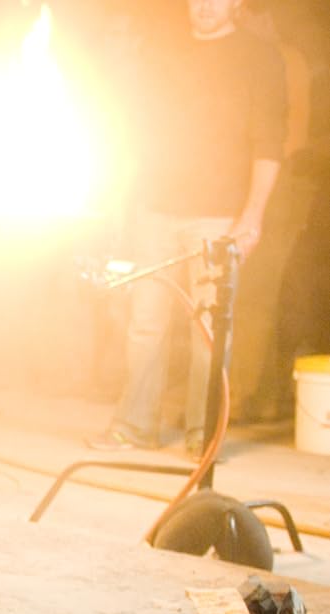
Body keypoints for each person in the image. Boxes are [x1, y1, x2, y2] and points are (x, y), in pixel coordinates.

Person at [88, 0, 287, 458]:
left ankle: (203, 435)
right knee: (145, 324)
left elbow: (269, 142)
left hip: (218, 215)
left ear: (237, 3)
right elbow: (137, 131)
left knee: (209, 332)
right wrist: (123, 202)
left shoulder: (260, 57)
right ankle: (134, 427)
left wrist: (252, 216)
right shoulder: (164, 52)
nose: (206, 5)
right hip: (155, 207)